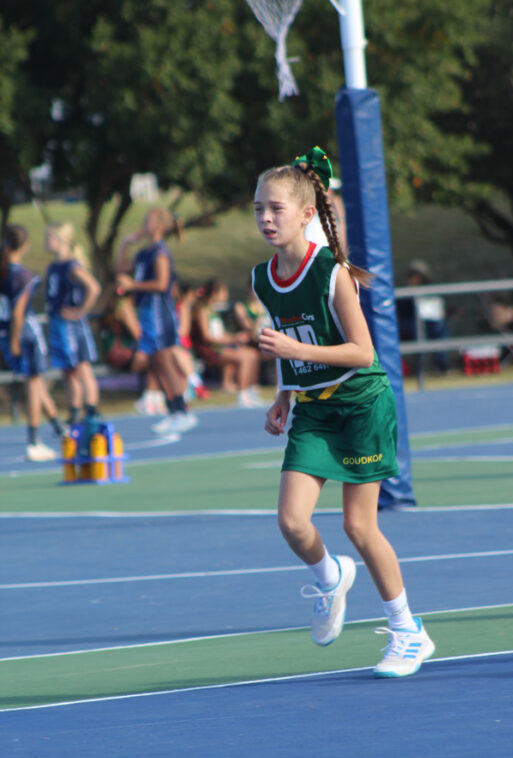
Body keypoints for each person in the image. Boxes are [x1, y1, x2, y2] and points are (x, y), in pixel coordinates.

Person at [252, 146, 435, 677]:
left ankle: (408, 631)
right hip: (313, 407)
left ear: (306, 213)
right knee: (292, 522)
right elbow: (291, 339)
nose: (266, 217)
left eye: (276, 208)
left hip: (360, 405)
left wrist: (294, 353)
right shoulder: (263, 277)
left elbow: (361, 352)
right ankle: (331, 578)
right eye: (259, 208)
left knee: (360, 526)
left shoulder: (330, 272)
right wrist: (284, 394)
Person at [115, 208, 197, 433]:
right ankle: (173, 409)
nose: (143, 223)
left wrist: (133, 286)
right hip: (147, 312)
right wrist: (124, 244)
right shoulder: (143, 253)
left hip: (159, 311)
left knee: (164, 360)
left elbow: (162, 284)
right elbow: (120, 269)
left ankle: (181, 410)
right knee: (156, 362)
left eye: (148, 220)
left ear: (160, 226)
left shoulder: (160, 252)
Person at [0, 225, 66, 460]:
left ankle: (58, 427)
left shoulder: (4, 272)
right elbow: (18, 312)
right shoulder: (22, 275)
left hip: (5, 333)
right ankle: (34, 440)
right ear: (25, 246)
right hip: (24, 333)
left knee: (34, 382)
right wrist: (16, 339)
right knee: (35, 382)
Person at [44, 222, 102, 424]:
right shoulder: (53, 267)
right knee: (67, 370)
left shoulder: (72, 266)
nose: (45, 241)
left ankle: (92, 410)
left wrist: (80, 312)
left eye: (49, 237)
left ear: (60, 240)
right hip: (57, 323)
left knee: (81, 367)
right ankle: (74, 412)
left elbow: (94, 288)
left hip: (71, 326)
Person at [194, 278, 264, 408]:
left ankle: (251, 391)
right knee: (244, 357)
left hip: (220, 346)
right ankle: (242, 395)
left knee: (253, 354)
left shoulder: (212, 310)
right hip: (211, 350)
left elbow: (220, 333)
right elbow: (207, 336)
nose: (225, 295)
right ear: (214, 293)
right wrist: (231, 339)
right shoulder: (203, 310)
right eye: (223, 292)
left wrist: (236, 337)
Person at [403, 259, 449, 374]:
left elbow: (439, 308)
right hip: (414, 324)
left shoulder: (431, 290)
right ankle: (420, 369)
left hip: (433, 323)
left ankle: (442, 367)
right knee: (418, 332)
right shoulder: (406, 292)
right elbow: (404, 312)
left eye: (417, 275)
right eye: (412, 276)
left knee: (440, 330)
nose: (414, 278)